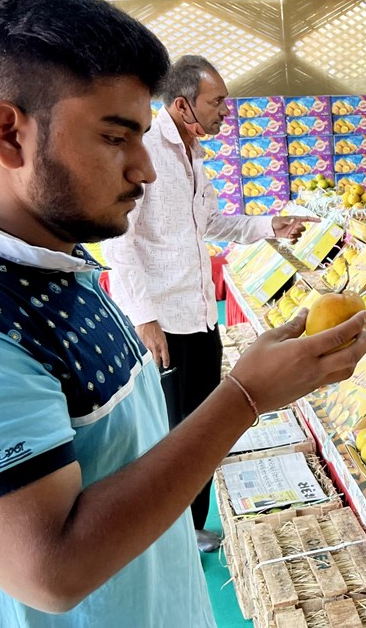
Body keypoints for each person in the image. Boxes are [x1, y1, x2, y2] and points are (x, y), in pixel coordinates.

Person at [0, 0, 366, 627]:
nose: (145, 168)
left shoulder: (50, 265)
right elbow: (52, 568)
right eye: (115, 137)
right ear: (9, 134)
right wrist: (244, 398)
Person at [102, 56, 314, 553]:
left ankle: (191, 529)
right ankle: (168, 537)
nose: (226, 111)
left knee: (200, 429)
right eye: (217, 101)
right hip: (166, 321)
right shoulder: (147, 154)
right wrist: (144, 318)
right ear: (182, 104)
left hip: (200, 315)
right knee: (174, 435)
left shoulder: (194, 156)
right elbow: (120, 245)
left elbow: (213, 222)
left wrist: (270, 225)